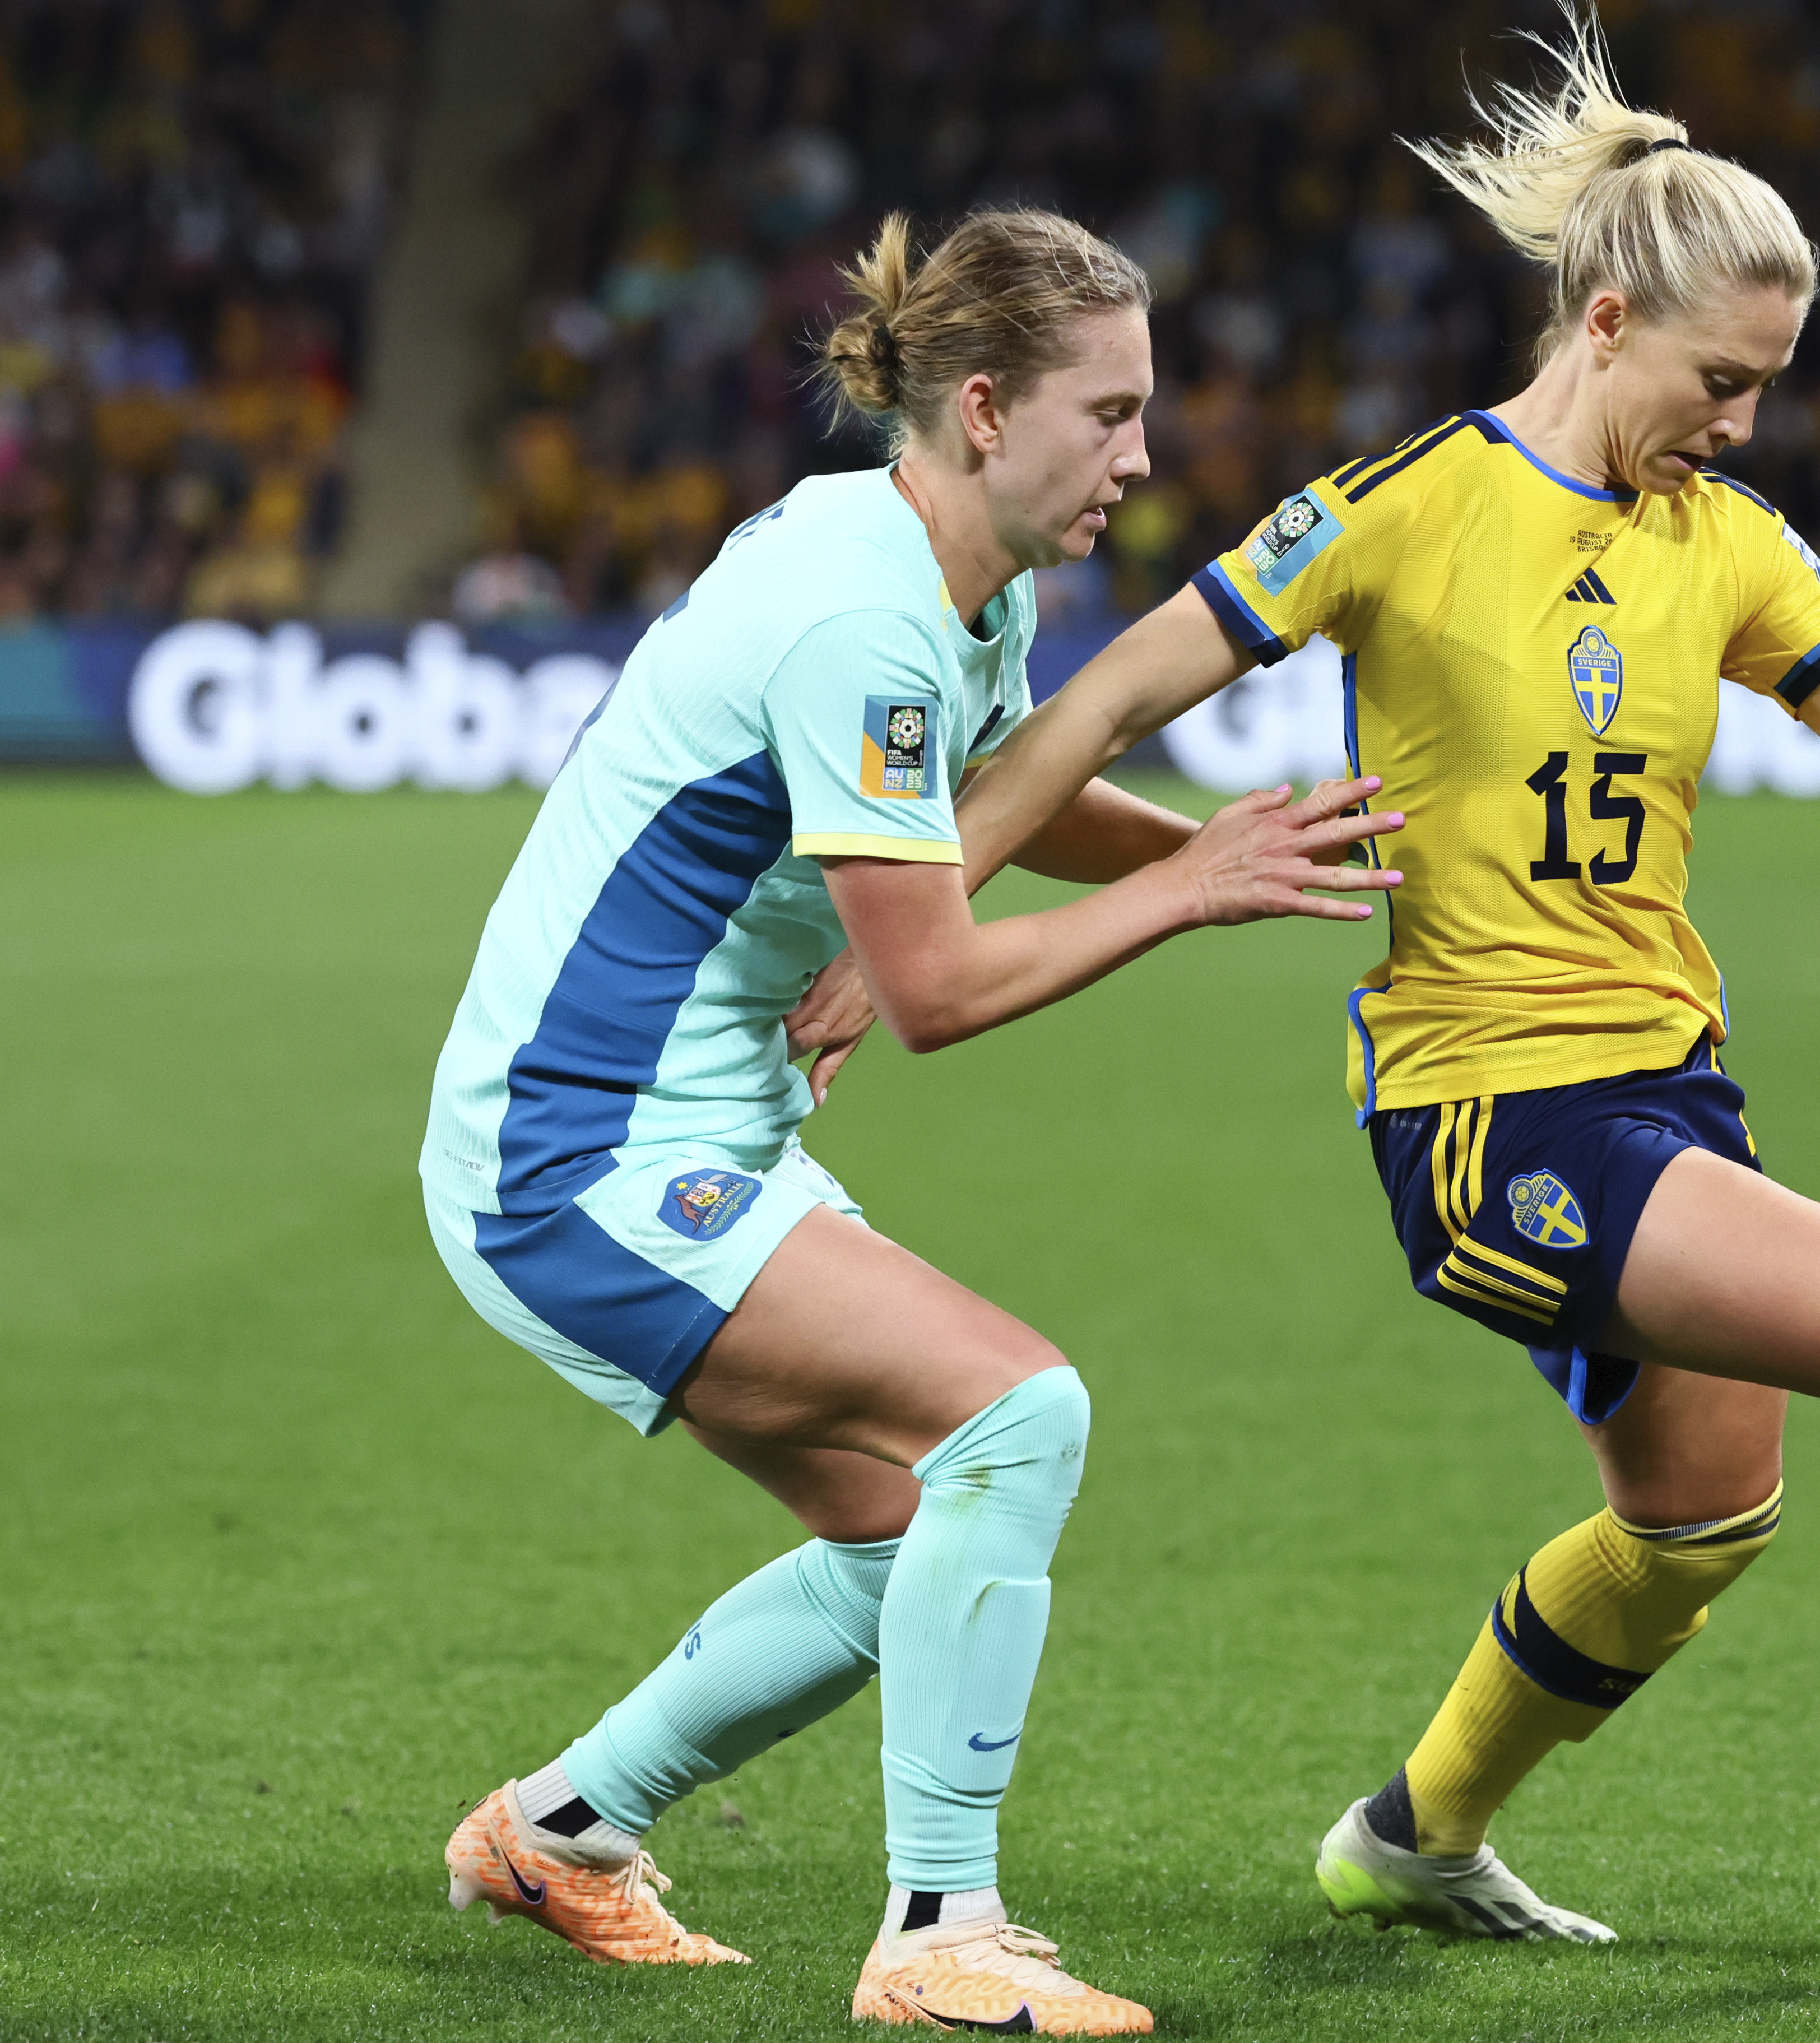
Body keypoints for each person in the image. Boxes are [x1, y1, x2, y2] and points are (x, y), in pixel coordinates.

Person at [788, 6, 1820, 1945]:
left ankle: (1414, 1834)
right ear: (1608, 322)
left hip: (1663, 1089)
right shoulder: (1402, 508)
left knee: (1697, 1522)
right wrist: (910, 933)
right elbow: (1102, 703)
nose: (1742, 424)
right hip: (1486, 1113)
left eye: (1768, 388)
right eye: (1724, 379)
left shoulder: (1726, 540)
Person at [418, 207, 1401, 2030]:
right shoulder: (864, 616)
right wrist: (1191, 890)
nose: (1140, 456)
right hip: (573, 1158)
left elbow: (984, 792)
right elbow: (937, 983)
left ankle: (561, 1830)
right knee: (1013, 1413)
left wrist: (1195, 841)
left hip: (683, 1119)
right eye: (1106, 414)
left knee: (910, 1536)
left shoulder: (956, 575)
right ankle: (938, 1930)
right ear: (977, 407)